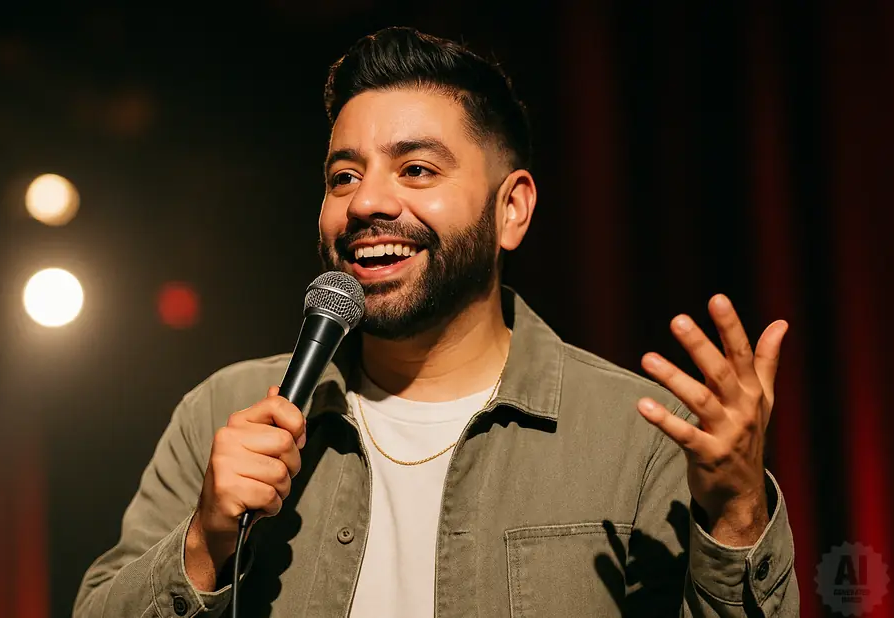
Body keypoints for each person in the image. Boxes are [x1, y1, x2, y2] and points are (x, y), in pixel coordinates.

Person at [74, 27, 799, 617]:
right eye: (343, 176)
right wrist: (204, 544)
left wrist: (735, 512)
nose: (365, 205)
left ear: (511, 208)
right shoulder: (220, 415)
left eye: (415, 170)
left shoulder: (636, 436)